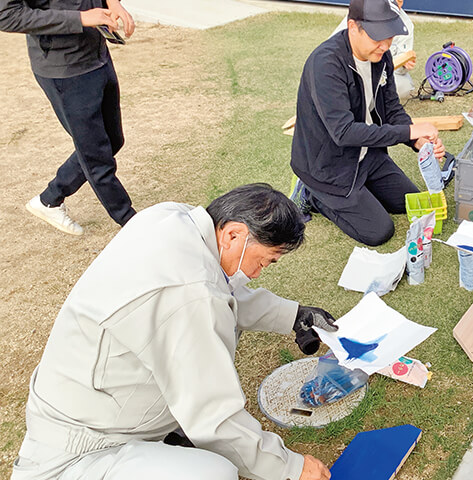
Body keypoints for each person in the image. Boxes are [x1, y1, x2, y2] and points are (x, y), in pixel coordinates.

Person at [11, 184, 334, 480]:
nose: (257, 272)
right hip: (83, 449)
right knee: (213, 473)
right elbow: (213, 414)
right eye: (265, 261)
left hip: (86, 404)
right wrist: (289, 467)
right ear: (234, 235)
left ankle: (165, 437)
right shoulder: (189, 294)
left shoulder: (171, 219)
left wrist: (293, 315)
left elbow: (218, 290)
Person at [290, 0, 445, 247]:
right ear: (353, 27)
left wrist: (417, 141)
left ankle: (360, 193)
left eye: (390, 37)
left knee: (409, 201)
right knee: (380, 231)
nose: (385, 45)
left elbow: (392, 108)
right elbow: (344, 132)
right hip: (329, 167)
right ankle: (312, 194)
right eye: (377, 38)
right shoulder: (325, 64)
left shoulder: (381, 56)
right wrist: (409, 130)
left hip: (367, 155)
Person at [0, 0, 137, 235]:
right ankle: (134, 224)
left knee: (113, 140)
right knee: (96, 157)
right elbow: (7, 15)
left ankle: (49, 199)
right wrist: (81, 19)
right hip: (64, 69)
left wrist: (113, 3)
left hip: (96, 54)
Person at [331, 0, 417, 99]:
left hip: (383, 72)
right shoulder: (363, 12)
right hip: (352, 70)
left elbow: (397, 69)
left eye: (400, 1)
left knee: (405, 86)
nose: (385, 47)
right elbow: (334, 47)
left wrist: (404, 66)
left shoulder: (406, 24)